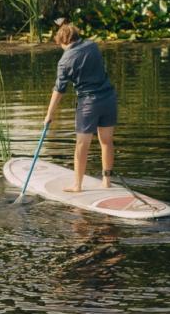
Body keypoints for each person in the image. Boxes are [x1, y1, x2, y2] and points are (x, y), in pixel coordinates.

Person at [41, 21, 118, 192]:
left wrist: (49, 114)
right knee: (106, 141)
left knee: (82, 144)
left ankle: (77, 185)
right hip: (108, 98)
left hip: (89, 103)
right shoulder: (93, 46)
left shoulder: (64, 61)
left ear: (64, 41)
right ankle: (107, 181)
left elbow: (59, 90)